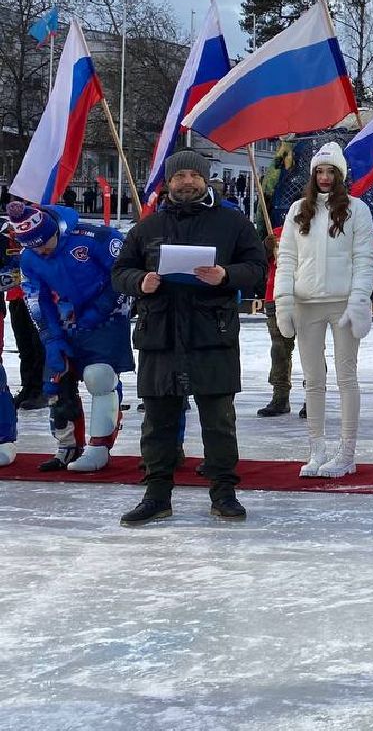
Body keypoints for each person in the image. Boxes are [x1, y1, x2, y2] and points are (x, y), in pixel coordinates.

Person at [112, 149, 267, 525]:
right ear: (168, 183)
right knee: (158, 423)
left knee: (218, 421)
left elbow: (257, 268)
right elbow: (120, 272)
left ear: (205, 179)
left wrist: (226, 275)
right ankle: (156, 495)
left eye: (194, 176)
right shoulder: (147, 226)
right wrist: (140, 281)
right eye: (179, 176)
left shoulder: (232, 222)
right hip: (160, 335)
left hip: (212, 333)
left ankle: (224, 492)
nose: (187, 182)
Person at [4, 201, 132, 473]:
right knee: (57, 377)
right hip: (66, 314)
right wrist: (51, 337)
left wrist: (99, 310)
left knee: (99, 376)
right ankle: (67, 446)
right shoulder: (30, 257)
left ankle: (100, 445)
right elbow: (36, 299)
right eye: (33, 247)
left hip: (108, 314)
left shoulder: (98, 238)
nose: (42, 251)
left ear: (55, 231)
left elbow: (123, 277)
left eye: (44, 243)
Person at [274, 143, 373, 480]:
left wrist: (359, 299)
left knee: (347, 378)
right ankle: (316, 449)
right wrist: (283, 300)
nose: (325, 177)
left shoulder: (357, 210)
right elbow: (287, 258)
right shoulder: (297, 210)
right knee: (313, 380)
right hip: (306, 304)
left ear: (341, 175)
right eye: (320, 171)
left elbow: (364, 259)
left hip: (343, 303)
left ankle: (347, 453)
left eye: (331, 171)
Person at [255, 213, 297, 418]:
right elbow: (256, 262)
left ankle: (314, 396)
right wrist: (265, 247)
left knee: (313, 349)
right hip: (275, 295)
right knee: (279, 349)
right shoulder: (276, 234)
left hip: (307, 296)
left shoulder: (317, 235)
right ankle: (280, 396)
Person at [4, 231, 46, 410]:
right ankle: (28, 387)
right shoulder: (8, 231)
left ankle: (42, 389)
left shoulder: (40, 229)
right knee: (24, 346)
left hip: (37, 296)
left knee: (39, 345)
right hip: (16, 294)